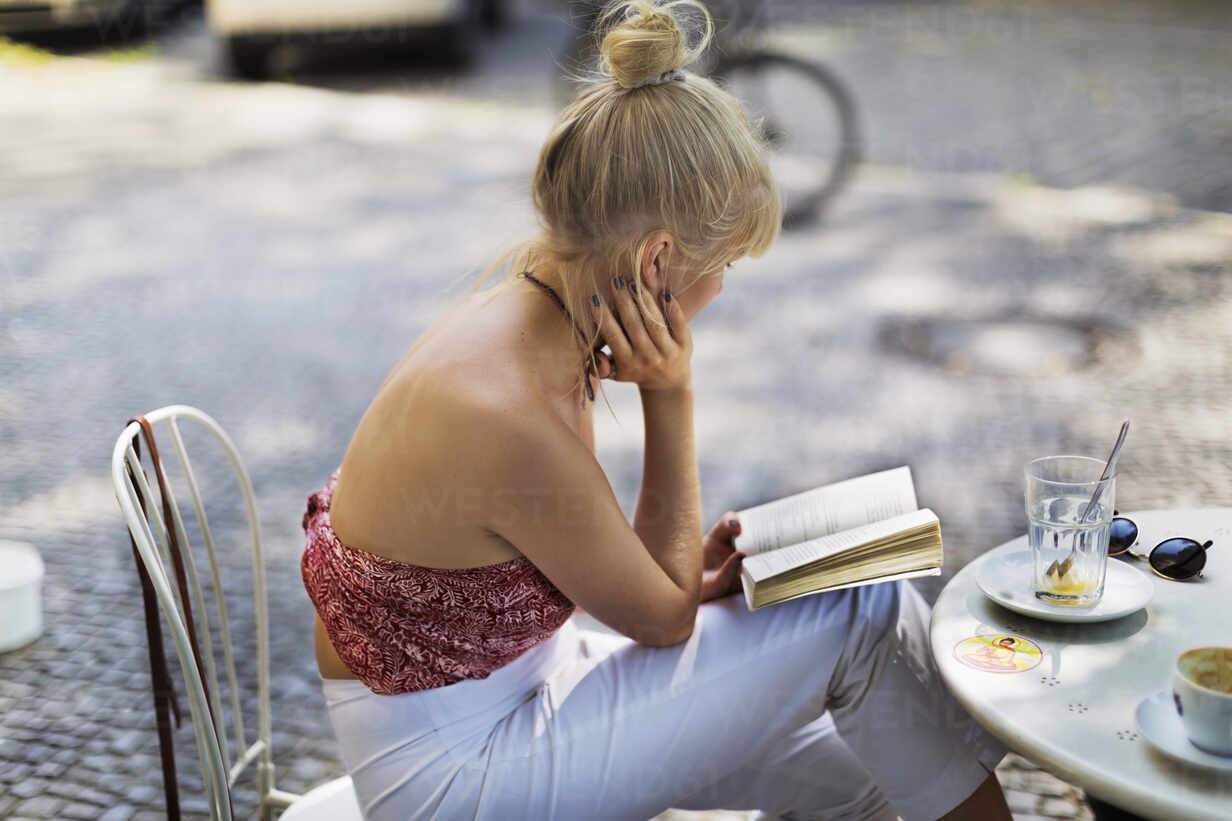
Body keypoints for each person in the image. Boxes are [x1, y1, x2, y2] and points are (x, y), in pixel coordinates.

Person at [300, 1, 1013, 818]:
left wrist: (685, 577)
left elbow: (630, 578)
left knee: (879, 775)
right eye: (725, 267)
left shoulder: (532, 319)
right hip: (458, 778)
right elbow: (663, 620)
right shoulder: (507, 410)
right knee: (862, 604)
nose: (720, 291)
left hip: (518, 694)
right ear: (658, 260)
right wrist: (671, 392)